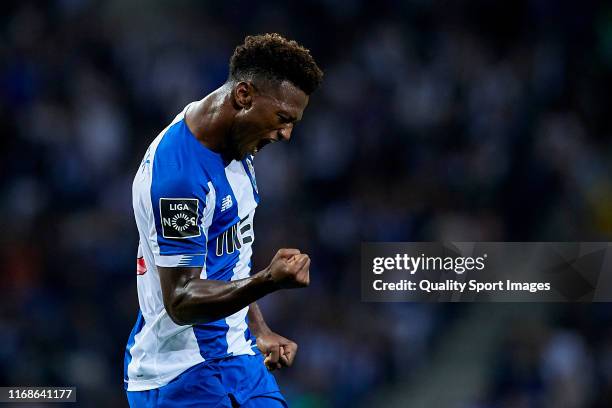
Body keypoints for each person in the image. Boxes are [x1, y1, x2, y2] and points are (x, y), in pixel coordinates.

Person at [124, 33, 323, 407]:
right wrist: (268, 280)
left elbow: (227, 262)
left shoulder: (235, 143)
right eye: (283, 118)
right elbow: (181, 300)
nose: (286, 134)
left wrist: (259, 330)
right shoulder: (179, 178)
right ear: (244, 95)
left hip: (238, 359)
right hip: (181, 376)